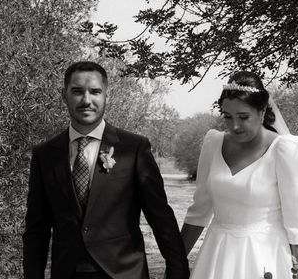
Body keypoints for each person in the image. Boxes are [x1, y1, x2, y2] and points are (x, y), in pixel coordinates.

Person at [23, 60, 190, 279]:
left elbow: (160, 217)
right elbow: (37, 228)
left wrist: (178, 270)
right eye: (77, 92)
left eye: (95, 91)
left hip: (123, 272)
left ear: (105, 96)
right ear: (64, 96)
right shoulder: (45, 154)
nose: (86, 100)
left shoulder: (134, 148)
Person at [180, 71, 298, 279]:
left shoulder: (283, 149)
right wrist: (175, 263)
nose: (234, 125)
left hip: (265, 256)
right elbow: (198, 212)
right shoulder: (213, 143)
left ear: (262, 111)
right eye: (228, 117)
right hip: (216, 257)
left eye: (243, 117)